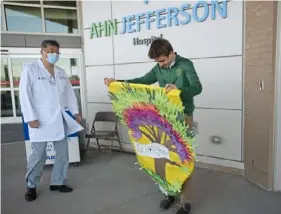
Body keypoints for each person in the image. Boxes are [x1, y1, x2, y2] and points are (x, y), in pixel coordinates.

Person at [104, 38, 202, 214]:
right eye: (158, 62)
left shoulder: (186, 65)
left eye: (163, 60)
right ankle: (169, 193)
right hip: (163, 116)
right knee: (163, 155)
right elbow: (142, 80)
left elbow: (197, 87)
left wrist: (179, 90)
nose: (161, 65)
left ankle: (185, 201)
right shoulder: (159, 68)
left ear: (171, 53)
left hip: (183, 115)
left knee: (182, 158)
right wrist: (116, 82)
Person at [19, 40, 83, 202]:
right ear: (42, 52)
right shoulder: (30, 69)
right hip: (39, 120)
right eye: (51, 50)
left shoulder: (61, 72)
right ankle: (31, 186)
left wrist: (75, 112)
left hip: (59, 119)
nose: (54, 54)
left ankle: (57, 182)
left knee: (62, 154)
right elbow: (25, 95)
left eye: (57, 51)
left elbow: (69, 93)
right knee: (38, 155)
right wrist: (30, 117)